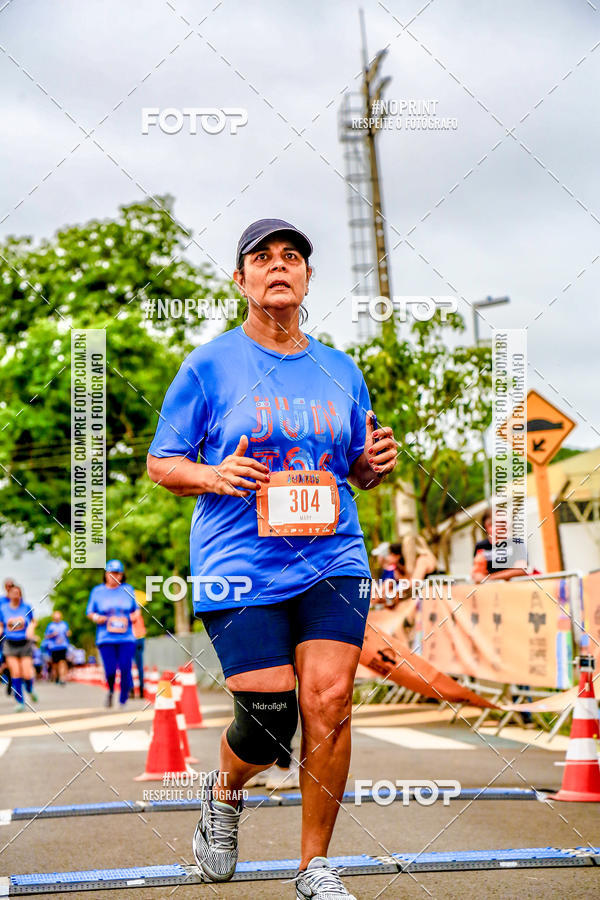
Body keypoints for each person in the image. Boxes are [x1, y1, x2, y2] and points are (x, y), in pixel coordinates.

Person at [147, 218, 398, 898]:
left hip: (332, 557)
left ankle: (314, 866)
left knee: (331, 701)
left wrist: (372, 467)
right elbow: (162, 463)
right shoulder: (208, 366)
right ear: (242, 280)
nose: (278, 266)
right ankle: (225, 794)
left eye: (292, 257)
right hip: (240, 562)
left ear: (308, 278)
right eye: (262, 258)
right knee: (267, 720)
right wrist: (212, 474)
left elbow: (355, 466)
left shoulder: (341, 370)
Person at [86, 559, 138, 708]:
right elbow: (90, 612)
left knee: (125, 667)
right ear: (106, 574)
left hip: (126, 637)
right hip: (106, 638)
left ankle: (123, 699)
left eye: (117, 573)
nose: (114, 576)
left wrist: (133, 617)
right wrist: (97, 618)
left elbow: (136, 610)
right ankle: (110, 691)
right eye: (111, 573)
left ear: (122, 575)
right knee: (110, 670)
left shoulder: (128, 589)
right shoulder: (97, 591)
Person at [0, 584, 38, 710]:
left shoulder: (26, 607)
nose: (15, 595)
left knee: (26, 673)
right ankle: (20, 701)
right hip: (10, 643)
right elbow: (1, 625)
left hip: (24, 643)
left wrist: (31, 629)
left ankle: (30, 689)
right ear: (9, 595)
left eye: (18, 593)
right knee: (15, 673)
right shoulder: (3, 609)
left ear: (21, 594)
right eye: (13, 593)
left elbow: (33, 622)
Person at [471, 509, 530, 583]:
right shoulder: (480, 546)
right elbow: (476, 575)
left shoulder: (517, 543)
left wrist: (489, 578)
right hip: (490, 589)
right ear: (487, 526)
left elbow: (521, 570)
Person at [43, 610, 71, 685]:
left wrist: (68, 634)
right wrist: (52, 634)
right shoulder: (50, 625)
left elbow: (68, 632)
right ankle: (56, 677)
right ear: (53, 617)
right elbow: (46, 636)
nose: (57, 618)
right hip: (54, 647)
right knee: (55, 664)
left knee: (62, 661)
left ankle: (62, 678)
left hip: (63, 646)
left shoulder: (64, 624)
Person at [130, 606, 146, 699]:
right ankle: (141, 690)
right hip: (140, 638)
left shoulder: (126, 610)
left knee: (128, 665)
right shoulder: (138, 609)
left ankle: (131, 690)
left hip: (131, 640)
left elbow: (132, 620)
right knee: (140, 666)